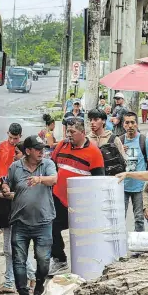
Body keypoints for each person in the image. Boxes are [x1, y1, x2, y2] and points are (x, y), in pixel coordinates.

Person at [49, 117, 105, 275]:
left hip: (81, 204)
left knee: (82, 236)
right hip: (57, 198)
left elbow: (99, 181)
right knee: (50, 226)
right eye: (67, 131)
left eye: (72, 132)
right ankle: (59, 260)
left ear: (83, 132)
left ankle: (88, 267)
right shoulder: (61, 145)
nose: (68, 135)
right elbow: (51, 167)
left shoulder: (94, 152)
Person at [4, 135, 58, 295]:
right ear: (27, 151)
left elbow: (54, 180)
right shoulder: (15, 167)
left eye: (43, 149)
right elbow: (8, 182)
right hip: (20, 222)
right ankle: (23, 292)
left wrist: (39, 179)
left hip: (44, 221)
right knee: (19, 260)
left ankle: (39, 285)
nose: (41, 152)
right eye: (37, 149)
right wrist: (6, 187)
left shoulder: (47, 164)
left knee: (43, 262)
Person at [0, 141, 37, 294]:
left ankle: (31, 275)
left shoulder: (29, 172)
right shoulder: (16, 168)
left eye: (16, 153)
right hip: (11, 214)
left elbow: (24, 194)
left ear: (26, 153)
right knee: (10, 250)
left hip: (19, 215)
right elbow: (8, 183)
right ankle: (10, 282)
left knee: (13, 249)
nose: (14, 155)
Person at [120, 111, 148, 232]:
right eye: (127, 122)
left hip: (140, 187)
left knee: (139, 218)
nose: (130, 125)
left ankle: (139, 246)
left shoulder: (145, 141)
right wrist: (120, 151)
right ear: (123, 124)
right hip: (122, 186)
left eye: (132, 122)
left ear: (136, 124)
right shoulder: (119, 141)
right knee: (119, 217)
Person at [0, 123, 22, 194]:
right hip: (0, 180)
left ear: (20, 136)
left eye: (15, 138)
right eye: (10, 137)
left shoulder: (23, 148)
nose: (12, 140)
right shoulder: (2, 146)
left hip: (15, 181)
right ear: (7, 133)